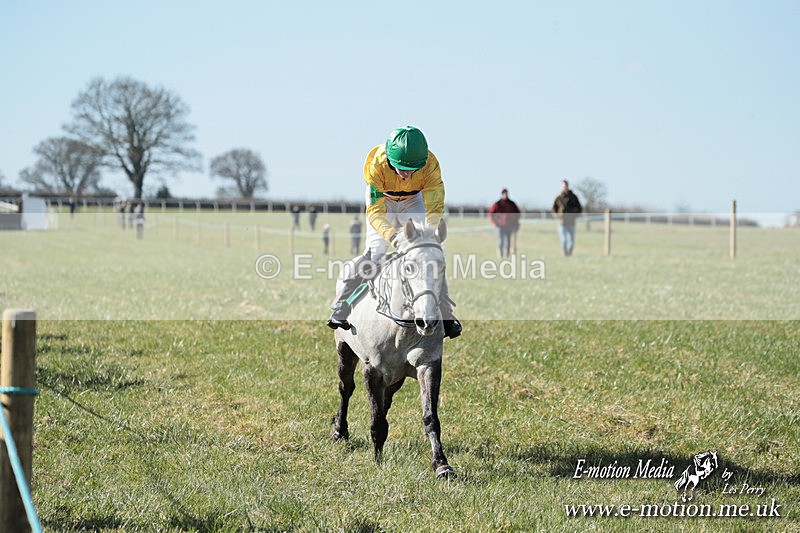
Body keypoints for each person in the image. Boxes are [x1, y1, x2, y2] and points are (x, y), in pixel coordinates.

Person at [327, 126, 461, 339]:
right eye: (402, 168)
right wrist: (394, 238)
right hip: (384, 202)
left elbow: (435, 205)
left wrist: (429, 235)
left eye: (413, 169)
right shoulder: (376, 165)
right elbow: (375, 212)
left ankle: (446, 314)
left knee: (427, 255)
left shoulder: (430, 164)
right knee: (376, 252)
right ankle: (342, 304)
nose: (407, 174)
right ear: (390, 159)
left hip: (413, 200)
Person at [552, 179, 583, 256]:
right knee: (564, 239)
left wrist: (574, 215)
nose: (564, 187)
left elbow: (579, 208)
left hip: (571, 222)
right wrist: (558, 216)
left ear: (568, 186)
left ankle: (570, 252)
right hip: (562, 222)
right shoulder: (559, 198)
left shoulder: (573, 197)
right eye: (563, 186)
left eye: (565, 185)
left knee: (571, 240)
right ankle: (565, 253)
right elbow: (554, 209)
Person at [488, 188, 521, 258]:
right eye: (503, 193)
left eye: (506, 193)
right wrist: (495, 222)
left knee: (508, 241)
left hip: (510, 225)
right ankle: (500, 255)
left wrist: (516, 222)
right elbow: (491, 213)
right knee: (501, 241)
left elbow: (517, 213)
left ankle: (507, 255)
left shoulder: (512, 204)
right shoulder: (497, 204)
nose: (505, 195)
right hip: (500, 225)